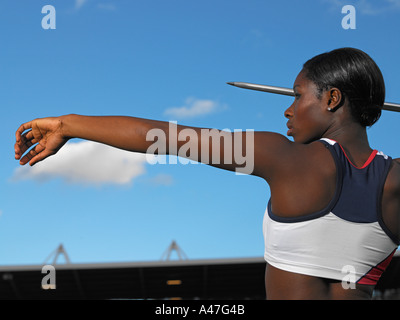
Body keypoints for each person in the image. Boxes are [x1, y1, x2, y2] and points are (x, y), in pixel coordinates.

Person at [14, 47, 400, 300]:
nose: (288, 109)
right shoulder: (393, 181)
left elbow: (163, 138)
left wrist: (67, 125)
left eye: (297, 95)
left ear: (332, 99)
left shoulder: (284, 157)